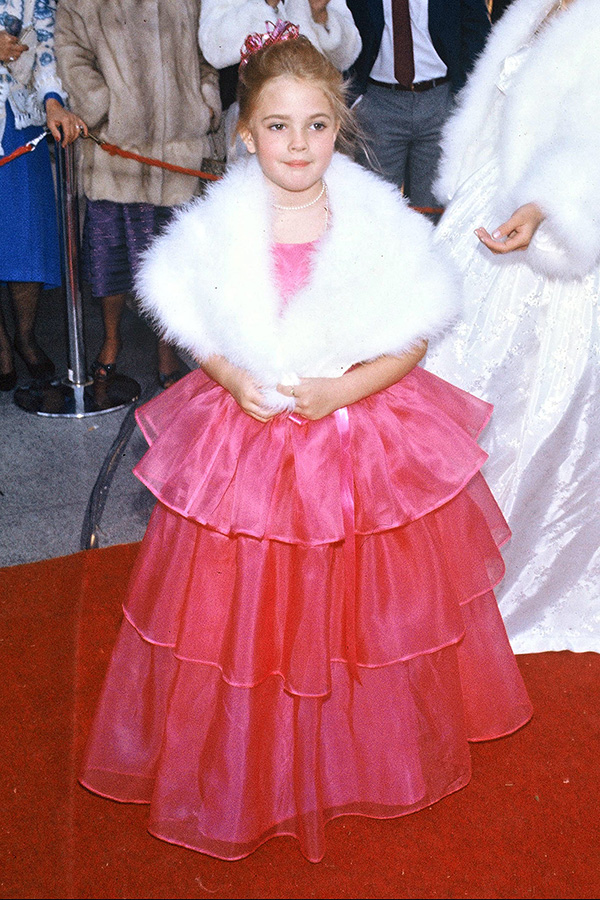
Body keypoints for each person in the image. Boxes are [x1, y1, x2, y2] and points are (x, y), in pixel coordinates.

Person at [78, 27, 532, 863]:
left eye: (317, 125)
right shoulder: (217, 227)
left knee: (362, 606)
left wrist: (340, 392)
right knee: (248, 607)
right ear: (246, 133)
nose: (299, 144)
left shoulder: (376, 220)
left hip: (357, 436)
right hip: (246, 440)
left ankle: (355, 746)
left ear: (341, 126)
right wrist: (229, 376)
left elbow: (416, 332)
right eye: (278, 126)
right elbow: (196, 321)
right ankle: (258, 755)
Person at [425, 0, 600, 653]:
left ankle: (511, 576)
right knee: (446, 383)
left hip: (559, 236)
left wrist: (543, 207)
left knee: (533, 410)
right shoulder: (523, 9)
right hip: (483, 212)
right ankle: (440, 574)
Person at [55, 0, 222, 389]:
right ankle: (111, 339)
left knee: (174, 256)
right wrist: (103, 108)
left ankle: (167, 348)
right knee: (108, 253)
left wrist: (206, 102)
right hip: (117, 148)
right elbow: (70, 50)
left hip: (177, 150)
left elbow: (206, 52)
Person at [0, 0, 86, 392]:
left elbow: (46, 47)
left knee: (26, 238)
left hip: (20, 121)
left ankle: (25, 335)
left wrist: (53, 99)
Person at [346, 0, 491, 211]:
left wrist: (464, 95)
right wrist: (354, 100)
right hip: (378, 104)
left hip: (441, 101)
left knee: (433, 210)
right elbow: (341, 29)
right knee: (376, 208)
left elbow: (477, 32)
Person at [199, 0, 361, 159]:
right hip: (259, 115)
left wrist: (320, 15)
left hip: (313, 113)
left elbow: (348, 55)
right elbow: (213, 48)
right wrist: (266, 5)